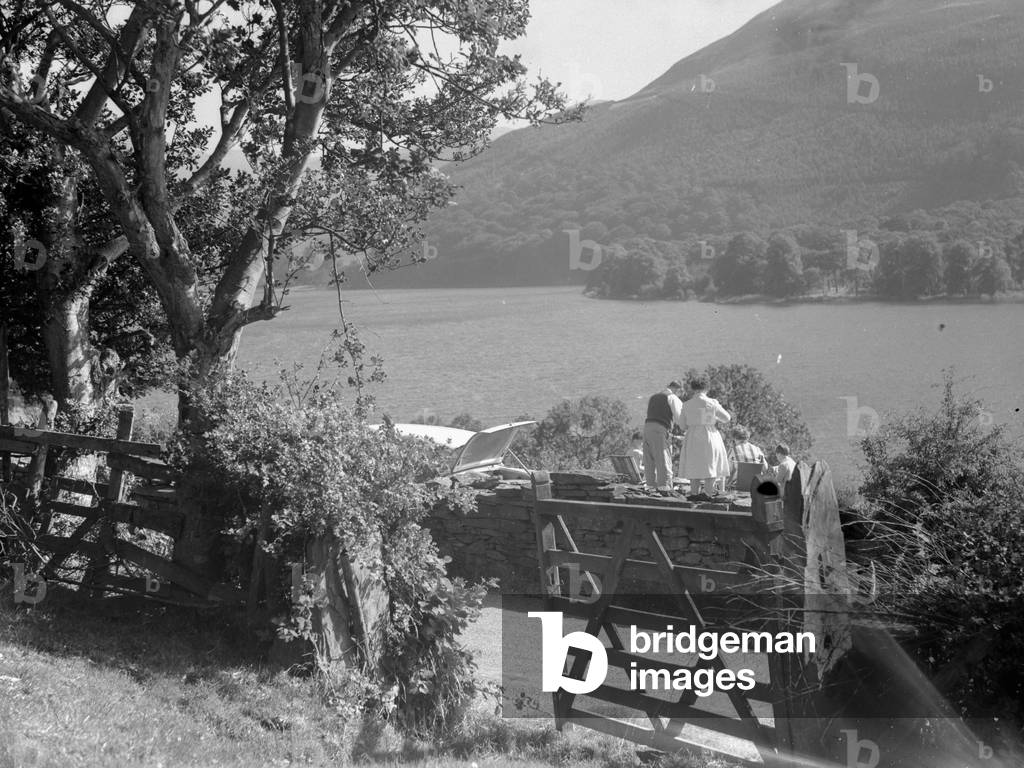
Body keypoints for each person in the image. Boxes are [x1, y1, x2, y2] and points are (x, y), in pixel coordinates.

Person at [677, 376, 731, 497]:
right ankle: (708, 494)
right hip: (709, 435)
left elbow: (682, 426)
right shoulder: (712, 403)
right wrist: (713, 418)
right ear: (707, 388)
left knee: (694, 466)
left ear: (693, 388)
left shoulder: (686, 404)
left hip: (692, 436)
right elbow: (727, 418)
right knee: (710, 465)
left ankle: (694, 494)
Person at [643, 381, 684, 491]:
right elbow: (680, 419)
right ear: (678, 390)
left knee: (649, 460)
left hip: (647, 428)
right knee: (663, 460)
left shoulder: (653, 397)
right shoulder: (672, 398)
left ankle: (650, 487)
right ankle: (664, 489)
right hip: (660, 429)